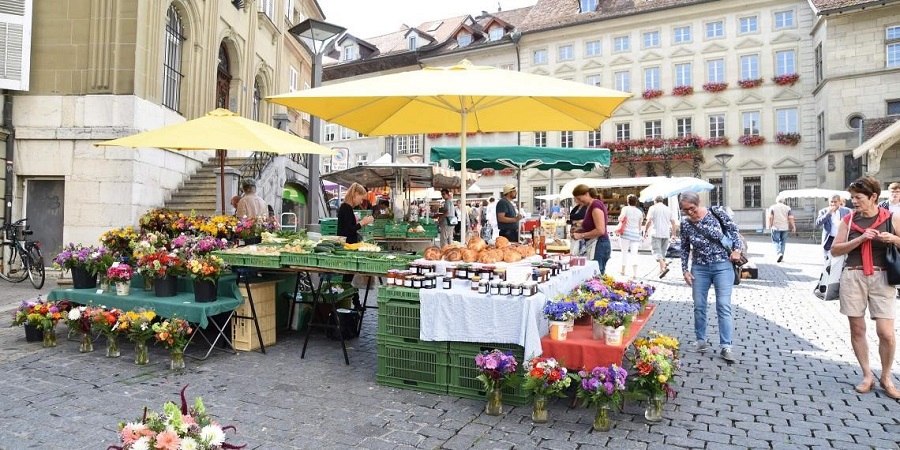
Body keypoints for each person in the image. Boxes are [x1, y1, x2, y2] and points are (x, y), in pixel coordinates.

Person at [829, 177, 900, 399]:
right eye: (852, 197)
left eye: (858, 197)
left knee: (886, 333)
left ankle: (886, 377)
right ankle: (867, 375)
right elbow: (835, 250)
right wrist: (859, 240)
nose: (854, 201)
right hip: (853, 276)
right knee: (857, 330)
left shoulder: (892, 217)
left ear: (873, 197)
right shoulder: (848, 220)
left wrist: (894, 239)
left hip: (882, 277)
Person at [678, 191, 743, 363]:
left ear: (698, 202)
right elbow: (684, 247)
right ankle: (701, 341)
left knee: (723, 305)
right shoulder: (685, 224)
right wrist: (685, 270)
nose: (690, 212)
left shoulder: (716, 212)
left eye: (692, 208)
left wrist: (737, 250)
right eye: (685, 210)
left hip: (722, 265)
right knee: (699, 306)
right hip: (699, 268)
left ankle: (726, 346)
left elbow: (734, 231)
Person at [645, 195, 677, 278]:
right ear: (662, 201)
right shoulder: (668, 209)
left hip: (656, 232)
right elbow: (673, 222)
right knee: (662, 253)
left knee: (656, 251)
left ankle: (664, 266)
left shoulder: (652, 208)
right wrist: (674, 234)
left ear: (655, 201)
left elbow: (649, 221)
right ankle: (662, 270)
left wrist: (645, 230)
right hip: (666, 233)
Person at [617, 194, 644, 278]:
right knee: (634, 253)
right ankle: (635, 273)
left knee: (624, 252)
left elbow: (621, 218)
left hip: (625, 233)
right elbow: (639, 226)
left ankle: (623, 270)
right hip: (635, 234)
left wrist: (620, 219)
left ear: (627, 201)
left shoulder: (625, 209)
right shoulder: (639, 212)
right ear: (636, 202)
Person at [768, 198, 796, 263]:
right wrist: (793, 226)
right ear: (783, 201)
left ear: (776, 201)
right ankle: (781, 256)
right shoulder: (787, 208)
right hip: (785, 227)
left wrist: (770, 225)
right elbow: (791, 218)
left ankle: (779, 253)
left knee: (775, 241)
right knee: (783, 242)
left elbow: (771, 217)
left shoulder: (773, 207)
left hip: (776, 227)